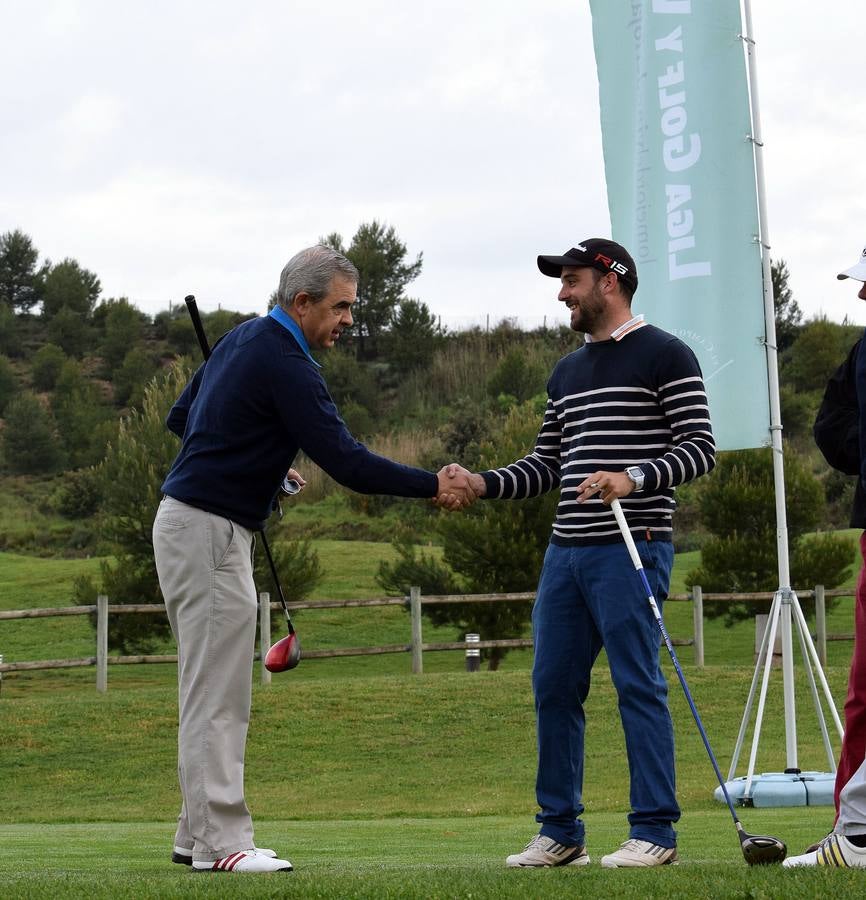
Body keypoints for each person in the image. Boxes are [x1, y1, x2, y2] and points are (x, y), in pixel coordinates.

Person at [152, 245, 476, 874]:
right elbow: (349, 462)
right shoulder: (287, 362)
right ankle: (223, 844)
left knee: (215, 688)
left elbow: (181, 419)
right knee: (216, 694)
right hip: (208, 530)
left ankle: (195, 836)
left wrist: (263, 462)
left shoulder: (243, 339)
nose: (349, 320)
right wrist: (432, 484)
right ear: (302, 303)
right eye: (341, 307)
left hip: (201, 525)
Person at [447, 239, 715, 868]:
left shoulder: (667, 355)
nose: (562, 293)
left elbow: (701, 447)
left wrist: (633, 477)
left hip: (633, 546)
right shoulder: (566, 372)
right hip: (566, 553)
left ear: (610, 282)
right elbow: (548, 465)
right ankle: (560, 831)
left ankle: (655, 832)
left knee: (636, 685)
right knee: (553, 688)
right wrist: (482, 483)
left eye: (571, 281)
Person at [785, 243, 866, 868]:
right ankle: (855, 831)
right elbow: (828, 424)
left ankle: (858, 836)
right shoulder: (863, 351)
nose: (861, 295)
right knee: (864, 691)